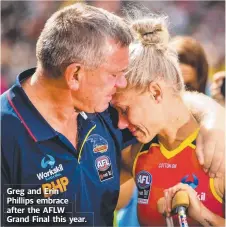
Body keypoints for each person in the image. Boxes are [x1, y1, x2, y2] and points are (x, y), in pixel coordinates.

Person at [1, 3, 225, 227]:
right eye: (114, 74)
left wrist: (214, 117)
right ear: (75, 75)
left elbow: (167, 105)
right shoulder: (7, 133)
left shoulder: (103, 109)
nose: (122, 82)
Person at [112, 15, 225, 226]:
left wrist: (201, 214)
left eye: (125, 110)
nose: (121, 122)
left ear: (155, 92)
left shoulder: (218, 152)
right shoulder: (134, 153)